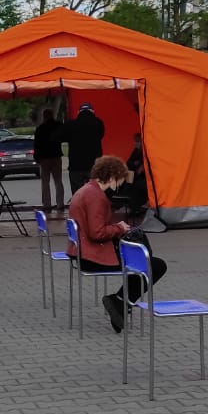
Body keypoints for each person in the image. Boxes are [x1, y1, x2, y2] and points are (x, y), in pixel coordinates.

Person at [68, 155, 168, 334]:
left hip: (84, 253)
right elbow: (97, 233)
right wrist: (119, 228)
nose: (120, 185)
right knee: (154, 265)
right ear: (112, 177)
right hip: (92, 257)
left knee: (141, 262)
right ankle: (120, 301)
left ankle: (121, 302)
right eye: (120, 180)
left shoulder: (86, 190)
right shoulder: (95, 196)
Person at [60, 102, 105, 196]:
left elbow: (62, 137)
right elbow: (101, 135)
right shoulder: (98, 123)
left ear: (78, 112)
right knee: (95, 191)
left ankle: (79, 203)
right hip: (94, 164)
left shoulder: (71, 124)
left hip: (76, 165)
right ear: (92, 112)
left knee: (77, 192)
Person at [33, 108, 65, 212]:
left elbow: (36, 145)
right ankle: (60, 204)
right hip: (56, 156)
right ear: (52, 115)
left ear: (44, 116)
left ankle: (47, 205)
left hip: (44, 158)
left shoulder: (40, 128)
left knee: (45, 182)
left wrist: (37, 157)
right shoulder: (58, 126)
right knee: (58, 181)